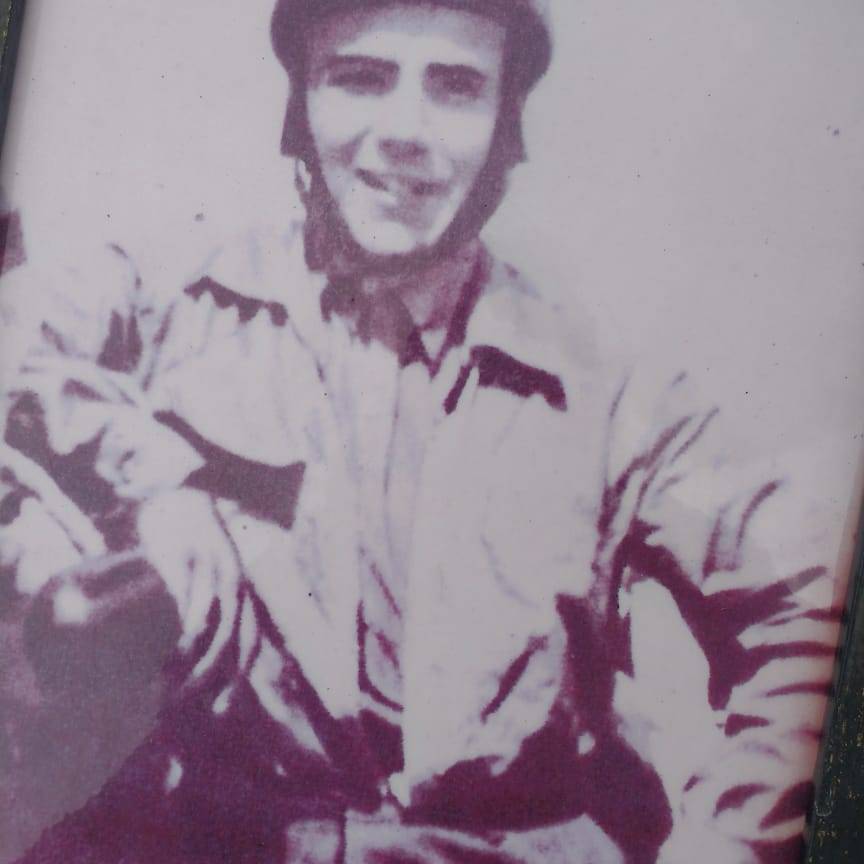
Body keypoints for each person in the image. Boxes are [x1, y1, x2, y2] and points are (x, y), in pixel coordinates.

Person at [0, 1, 837, 862]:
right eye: (360, 79)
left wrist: (729, 845)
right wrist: (154, 482)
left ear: (506, 124)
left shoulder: (605, 392)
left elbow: (805, 603)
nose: (405, 132)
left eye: (456, 87)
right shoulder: (168, 303)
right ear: (301, 105)